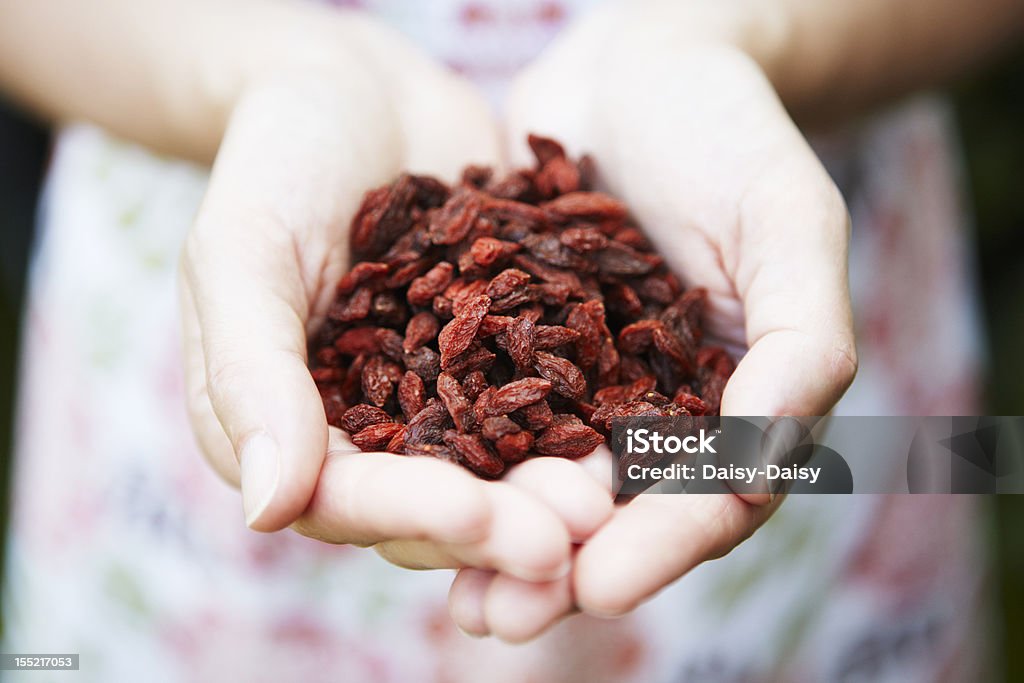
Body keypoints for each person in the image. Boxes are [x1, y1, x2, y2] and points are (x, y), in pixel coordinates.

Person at [0, 0, 1018, 680]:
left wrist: (726, 36)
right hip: (219, 325)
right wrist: (274, 71)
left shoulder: (654, 304)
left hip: (772, 270)